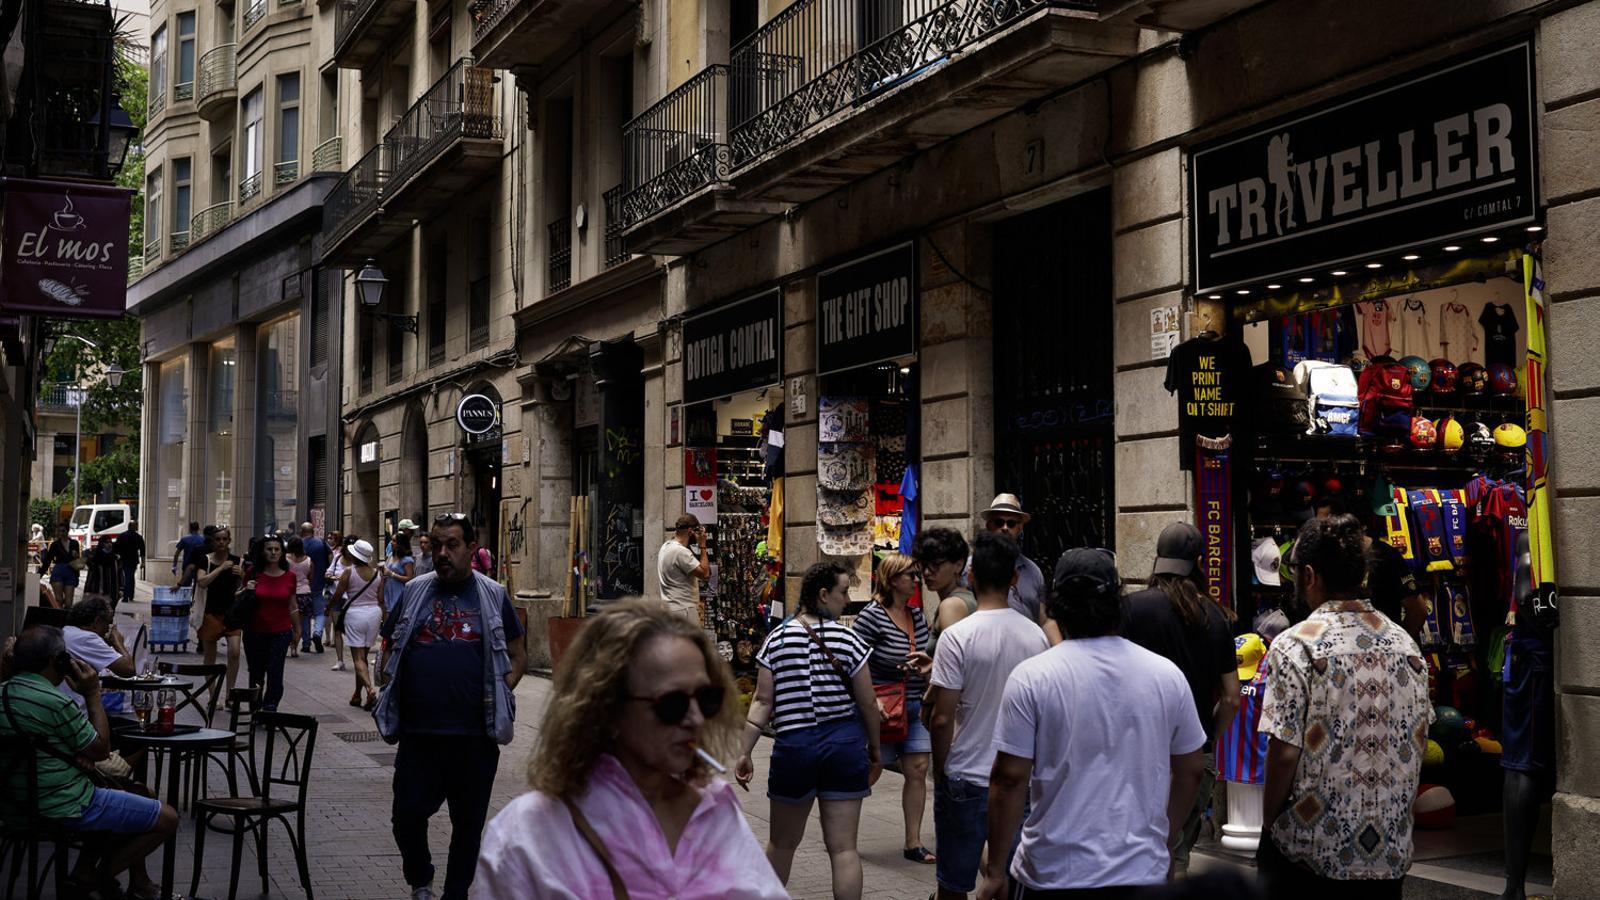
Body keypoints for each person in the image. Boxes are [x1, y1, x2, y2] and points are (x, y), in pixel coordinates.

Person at [476, 600, 787, 898]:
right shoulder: (528, 837)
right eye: (672, 704)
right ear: (607, 708)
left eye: (706, 699)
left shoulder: (714, 808)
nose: (695, 719)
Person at [977, 548, 1207, 900]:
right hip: (1139, 871)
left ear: (1054, 606)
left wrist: (995, 870)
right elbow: (1191, 768)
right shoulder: (1166, 675)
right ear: (1117, 601)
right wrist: (1163, 838)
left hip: (1053, 873)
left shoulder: (1032, 677)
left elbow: (1009, 778)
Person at [1255, 515, 1432, 898]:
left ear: (1310, 576)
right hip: (1388, 854)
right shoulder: (1405, 645)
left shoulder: (1296, 645)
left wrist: (1268, 822)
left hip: (1310, 852)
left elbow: (1284, 752)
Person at [376, 513, 527, 900]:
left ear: (470, 549)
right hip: (419, 734)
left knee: (467, 826)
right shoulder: (415, 591)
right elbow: (391, 639)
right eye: (437, 544)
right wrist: (388, 677)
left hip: (474, 736)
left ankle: (454, 894)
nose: (443, 553)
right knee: (405, 817)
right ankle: (421, 877)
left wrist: (502, 687)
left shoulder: (492, 594)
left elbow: (517, 652)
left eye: (452, 545)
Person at [735, 562, 882, 900]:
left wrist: (744, 751)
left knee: (782, 844)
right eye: (843, 592)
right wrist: (874, 750)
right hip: (844, 746)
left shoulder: (777, 639)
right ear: (823, 594)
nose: (847, 599)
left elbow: (761, 702)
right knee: (844, 849)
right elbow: (868, 703)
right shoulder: (849, 639)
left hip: (794, 747)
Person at [0, 627, 179, 900]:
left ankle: (86, 874)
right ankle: (89, 883)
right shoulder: (55, 702)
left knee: (127, 795)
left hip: (13, 807)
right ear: (58, 661)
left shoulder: (5, 694)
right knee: (167, 818)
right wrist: (92, 693)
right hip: (63, 805)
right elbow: (100, 750)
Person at [929, 532, 1050, 899]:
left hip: (965, 773)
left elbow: (941, 717)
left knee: (953, 884)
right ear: (1015, 578)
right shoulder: (1036, 637)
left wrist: (941, 769)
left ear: (972, 577)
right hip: (1019, 779)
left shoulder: (957, 637)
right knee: (1009, 881)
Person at [1121, 522, 1241, 877]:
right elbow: (1232, 698)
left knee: (1135, 853)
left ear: (1158, 560)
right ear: (1199, 562)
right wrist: (1209, 738)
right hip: (1193, 756)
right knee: (1175, 857)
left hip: (1139, 751)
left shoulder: (1131, 609)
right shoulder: (1217, 617)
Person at [851, 551, 935, 864]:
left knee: (918, 769)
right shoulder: (872, 615)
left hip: (914, 704)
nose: (916, 580)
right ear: (891, 578)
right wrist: (869, 699)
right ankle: (842, 831)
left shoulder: (916, 615)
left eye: (917, 575)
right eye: (910, 575)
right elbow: (854, 659)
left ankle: (913, 843)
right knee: (872, 769)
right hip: (883, 705)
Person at [976, 494, 1058, 643]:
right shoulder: (973, 567)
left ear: (1020, 528)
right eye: (999, 522)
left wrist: (1059, 650)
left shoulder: (1033, 571)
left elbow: (1043, 619)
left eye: (1011, 523)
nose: (1005, 528)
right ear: (989, 525)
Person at [242, 534, 296, 712]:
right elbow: (239, 598)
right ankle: (255, 708)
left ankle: (270, 707)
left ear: (282, 552)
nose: (273, 553)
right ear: (263, 552)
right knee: (256, 673)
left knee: (275, 672)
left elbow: (292, 604)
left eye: (277, 549)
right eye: (269, 549)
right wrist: (246, 590)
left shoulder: (290, 577)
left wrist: (299, 629)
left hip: (280, 632)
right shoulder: (253, 573)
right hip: (255, 631)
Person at [330, 539, 382, 707]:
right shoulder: (377, 573)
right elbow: (381, 600)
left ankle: (369, 689)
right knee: (364, 658)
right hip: (374, 614)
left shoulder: (348, 572)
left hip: (355, 614)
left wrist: (328, 608)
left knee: (358, 659)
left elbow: (338, 594)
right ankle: (357, 695)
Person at [60, 596, 136, 709]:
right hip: (76, 709)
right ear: (97, 621)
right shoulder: (86, 638)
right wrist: (118, 642)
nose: (108, 629)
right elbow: (128, 669)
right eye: (108, 623)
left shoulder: (66, 631)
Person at [195, 527, 244, 698]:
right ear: (213, 541)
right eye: (218, 539)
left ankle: (230, 693)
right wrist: (221, 568)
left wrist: (243, 576)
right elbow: (201, 582)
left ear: (229, 541)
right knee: (210, 657)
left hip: (232, 615)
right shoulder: (205, 561)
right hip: (211, 614)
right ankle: (213, 694)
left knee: (235, 652)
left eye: (224, 539)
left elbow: (244, 588)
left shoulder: (239, 561)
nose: (221, 542)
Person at [914, 527, 974, 658]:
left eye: (935, 565)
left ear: (958, 565)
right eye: (923, 565)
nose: (926, 572)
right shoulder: (960, 599)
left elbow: (953, 664)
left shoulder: (952, 605)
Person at [658, 514, 711, 624]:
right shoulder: (681, 552)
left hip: (670, 608)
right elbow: (705, 573)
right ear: (690, 531)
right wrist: (702, 545)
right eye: (697, 532)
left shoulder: (666, 546)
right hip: (683, 610)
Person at [300, 524, 331, 653]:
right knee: (320, 612)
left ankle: (306, 644)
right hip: (319, 584)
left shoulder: (298, 545)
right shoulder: (321, 544)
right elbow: (330, 559)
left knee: (305, 615)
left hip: (302, 587)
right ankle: (317, 633)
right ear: (313, 531)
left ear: (302, 532)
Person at [41, 522, 81, 607]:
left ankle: (66, 618)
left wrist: (77, 557)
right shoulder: (55, 545)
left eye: (63, 531)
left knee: (68, 603)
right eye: (59, 531)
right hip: (58, 571)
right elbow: (48, 560)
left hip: (70, 572)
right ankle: (60, 618)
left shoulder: (74, 543)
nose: (61, 533)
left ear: (68, 531)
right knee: (59, 600)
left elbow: (78, 561)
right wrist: (39, 574)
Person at [286, 537, 312, 658]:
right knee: (299, 625)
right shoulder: (308, 561)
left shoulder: (286, 560)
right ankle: (294, 648)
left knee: (288, 623)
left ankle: (286, 644)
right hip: (304, 594)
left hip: (289, 594)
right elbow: (311, 578)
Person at [113, 520, 145, 606]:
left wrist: (117, 556)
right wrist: (143, 562)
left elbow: (115, 548)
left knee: (127, 576)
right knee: (130, 576)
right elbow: (142, 551)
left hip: (123, 559)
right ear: (135, 527)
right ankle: (130, 595)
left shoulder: (122, 536)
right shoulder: (138, 537)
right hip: (133, 560)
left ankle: (127, 596)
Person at [83, 534, 121, 605]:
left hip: (111, 591)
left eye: (110, 542)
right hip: (96, 590)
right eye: (106, 542)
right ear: (102, 543)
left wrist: (121, 589)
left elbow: (119, 573)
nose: (109, 544)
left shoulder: (115, 558)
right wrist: (87, 590)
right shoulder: (95, 556)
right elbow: (90, 575)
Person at [384, 533, 417, 613]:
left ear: (400, 543)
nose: (391, 542)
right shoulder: (391, 555)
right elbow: (386, 569)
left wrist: (392, 574)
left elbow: (410, 578)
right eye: (391, 540)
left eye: (394, 541)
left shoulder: (406, 559)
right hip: (388, 588)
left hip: (399, 591)